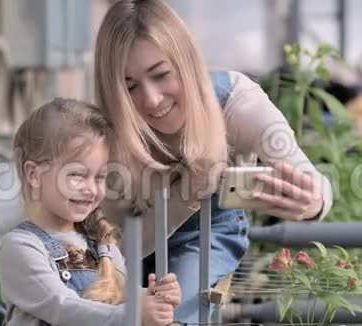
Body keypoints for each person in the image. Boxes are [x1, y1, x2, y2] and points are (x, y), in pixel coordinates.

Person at [93, 0, 334, 322]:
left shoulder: (236, 102)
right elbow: (117, 243)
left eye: (161, 75)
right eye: (130, 86)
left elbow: (314, 182)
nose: (151, 100)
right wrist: (188, 193)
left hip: (205, 236)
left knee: (172, 316)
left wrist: (312, 203)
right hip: (132, 241)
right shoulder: (104, 129)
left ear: (188, 62)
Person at [0, 98, 182, 325]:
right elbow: (64, 309)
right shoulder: (21, 247)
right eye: (76, 175)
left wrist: (153, 297)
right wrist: (133, 317)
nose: (92, 189)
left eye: (100, 177)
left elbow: (122, 295)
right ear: (34, 175)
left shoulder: (101, 244)